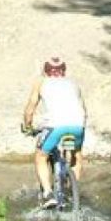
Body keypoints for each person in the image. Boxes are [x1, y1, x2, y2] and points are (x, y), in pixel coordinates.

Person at [22, 57, 87, 209]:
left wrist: (28, 126)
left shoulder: (41, 81)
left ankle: (48, 194)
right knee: (77, 154)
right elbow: (85, 110)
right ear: (64, 70)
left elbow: (30, 109)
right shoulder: (74, 83)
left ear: (46, 70)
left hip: (56, 126)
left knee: (40, 156)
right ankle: (72, 191)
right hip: (78, 125)